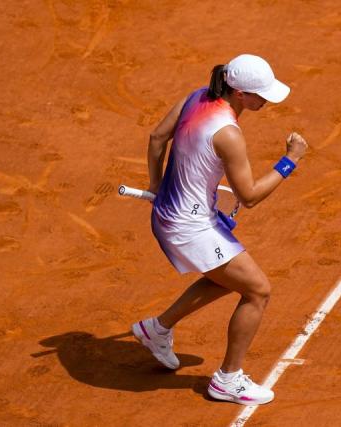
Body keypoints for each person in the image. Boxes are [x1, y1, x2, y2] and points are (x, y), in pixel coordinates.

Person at [131, 54, 307, 406]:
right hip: (189, 227)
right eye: (261, 96)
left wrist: (156, 186)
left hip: (175, 214)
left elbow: (156, 138)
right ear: (239, 93)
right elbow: (251, 196)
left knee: (225, 277)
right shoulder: (228, 134)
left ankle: (157, 328)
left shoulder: (196, 97)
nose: (266, 102)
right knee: (257, 291)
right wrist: (291, 160)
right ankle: (227, 380)